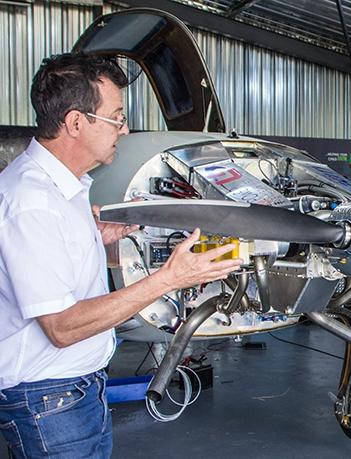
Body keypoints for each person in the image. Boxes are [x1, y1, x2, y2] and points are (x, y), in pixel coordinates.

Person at [0, 53, 243, 458]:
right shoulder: (32, 200)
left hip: (77, 389)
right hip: (48, 399)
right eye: (117, 118)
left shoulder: (64, 189)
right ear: (76, 123)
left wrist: (95, 236)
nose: (124, 130)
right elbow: (61, 326)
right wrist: (169, 278)